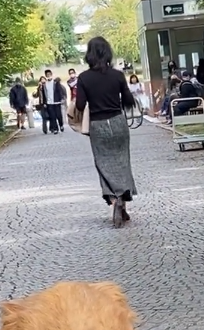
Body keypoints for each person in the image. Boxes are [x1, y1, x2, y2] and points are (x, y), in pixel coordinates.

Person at [71, 36, 138, 226]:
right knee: (123, 161)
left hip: (98, 125)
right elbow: (128, 101)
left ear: (89, 54)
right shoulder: (117, 75)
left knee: (103, 163)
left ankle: (115, 200)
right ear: (108, 52)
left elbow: (81, 104)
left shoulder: (84, 78)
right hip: (117, 122)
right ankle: (123, 201)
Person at [41, 69, 67, 134]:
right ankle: (55, 129)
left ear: (51, 75)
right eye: (47, 75)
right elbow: (44, 94)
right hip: (49, 103)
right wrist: (45, 102)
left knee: (59, 116)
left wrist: (61, 99)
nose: (48, 76)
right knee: (53, 117)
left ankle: (61, 125)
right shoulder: (45, 85)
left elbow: (60, 91)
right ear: (46, 76)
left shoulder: (55, 83)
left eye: (49, 74)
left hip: (57, 102)